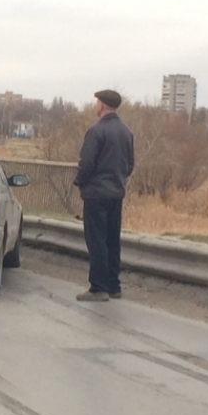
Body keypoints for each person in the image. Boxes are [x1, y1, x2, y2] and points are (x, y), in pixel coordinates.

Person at [73, 90, 134, 302]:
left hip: (96, 193)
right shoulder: (126, 132)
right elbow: (130, 165)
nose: (95, 105)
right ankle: (113, 285)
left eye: (96, 102)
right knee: (111, 239)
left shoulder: (96, 131)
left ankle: (98, 287)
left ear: (102, 105)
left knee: (96, 239)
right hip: (116, 193)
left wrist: (80, 181)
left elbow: (87, 162)